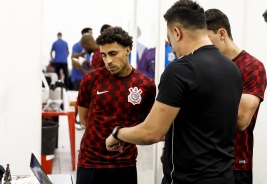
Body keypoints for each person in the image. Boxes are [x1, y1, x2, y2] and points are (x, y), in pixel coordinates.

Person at [105, 1, 243, 184]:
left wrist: (117, 134)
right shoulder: (231, 68)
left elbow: (151, 132)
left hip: (187, 179)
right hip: (224, 176)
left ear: (177, 33)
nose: (173, 49)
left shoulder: (181, 69)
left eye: (170, 40)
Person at [75, 26, 156, 184]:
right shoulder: (91, 80)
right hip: (90, 161)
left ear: (128, 49)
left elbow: (144, 123)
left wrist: (123, 139)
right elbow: (84, 118)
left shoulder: (145, 84)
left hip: (124, 163)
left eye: (113, 53)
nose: (108, 61)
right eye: (104, 55)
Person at [205, 9, 267, 184]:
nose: (203, 47)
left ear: (222, 33)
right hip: (204, 163)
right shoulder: (205, 68)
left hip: (236, 164)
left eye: (207, 40)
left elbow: (240, 120)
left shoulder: (251, 67)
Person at [71, 27, 93, 130]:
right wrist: (83, 53)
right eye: (90, 34)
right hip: (78, 77)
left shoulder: (90, 48)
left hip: (86, 76)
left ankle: (82, 120)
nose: (92, 36)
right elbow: (73, 57)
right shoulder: (77, 46)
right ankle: (76, 120)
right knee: (78, 100)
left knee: (86, 101)